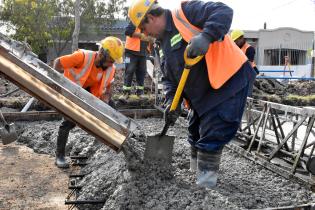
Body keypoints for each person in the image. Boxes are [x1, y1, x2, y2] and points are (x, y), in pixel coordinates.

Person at [128, 0, 256, 188]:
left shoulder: (184, 13)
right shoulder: (159, 45)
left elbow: (223, 11)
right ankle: (195, 175)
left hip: (228, 81)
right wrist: (172, 102)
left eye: (143, 28)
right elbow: (169, 79)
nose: (144, 34)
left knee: (213, 134)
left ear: (151, 17)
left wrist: (206, 36)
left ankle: (204, 189)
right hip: (201, 94)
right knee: (194, 133)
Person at [53, 36, 124, 168]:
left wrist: (106, 103)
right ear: (102, 53)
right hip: (72, 91)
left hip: (90, 93)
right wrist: (57, 86)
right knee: (68, 121)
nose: (111, 64)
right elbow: (58, 63)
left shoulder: (110, 68)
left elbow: (108, 88)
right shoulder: (82, 57)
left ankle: (120, 143)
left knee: (113, 111)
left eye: (113, 61)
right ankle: (60, 156)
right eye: (110, 60)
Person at [121, 21, 155, 99]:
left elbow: (152, 37)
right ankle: (126, 93)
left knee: (142, 72)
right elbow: (127, 31)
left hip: (143, 53)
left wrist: (151, 39)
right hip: (130, 51)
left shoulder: (149, 23)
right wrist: (141, 36)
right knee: (129, 70)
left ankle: (140, 93)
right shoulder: (134, 21)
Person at [231, 29, 259, 96]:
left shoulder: (249, 49)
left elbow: (248, 65)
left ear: (241, 38)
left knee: (247, 93)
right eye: (234, 41)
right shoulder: (237, 48)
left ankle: (247, 101)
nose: (235, 42)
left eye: (236, 40)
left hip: (250, 71)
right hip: (242, 72)